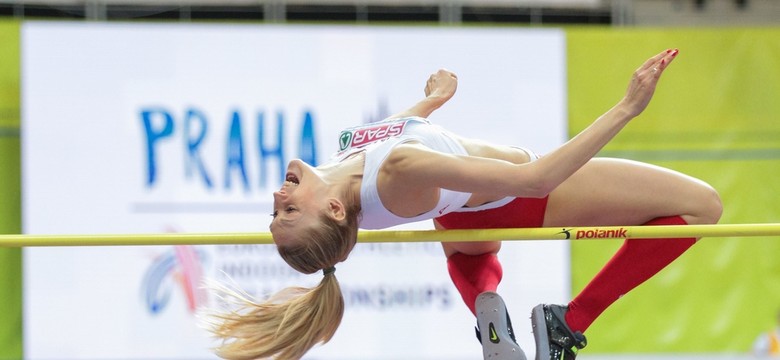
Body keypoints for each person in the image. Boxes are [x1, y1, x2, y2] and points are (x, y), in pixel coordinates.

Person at [206, 48, 722, 360]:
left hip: (459, 217)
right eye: (289, 210)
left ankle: (485, 305)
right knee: (703, 208)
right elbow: (537, 180)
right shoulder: (398, 173)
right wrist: (627, 107)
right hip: (508, 200)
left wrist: (430, 103)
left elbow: (386, 140)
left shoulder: (341, 172)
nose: (278, 197)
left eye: (276, 210)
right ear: (335, 213)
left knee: (472, 251)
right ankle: (570, 321)